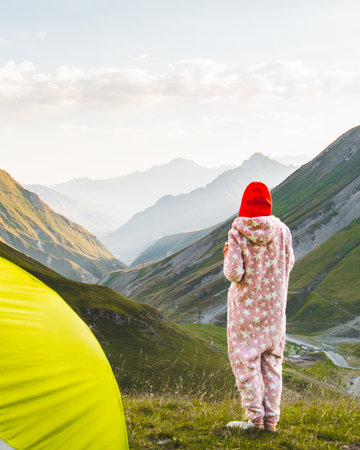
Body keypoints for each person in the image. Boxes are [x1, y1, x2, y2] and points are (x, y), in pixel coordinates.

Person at [223, 181, 294, 433]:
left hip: (246, 311)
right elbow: (289, 262)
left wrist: (227, 254)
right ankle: (272, 421)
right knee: (272, 363)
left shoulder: (237, 233)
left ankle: (255, 420)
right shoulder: (283, 231)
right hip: (275, 311)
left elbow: (234, 273)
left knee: (246, 362)